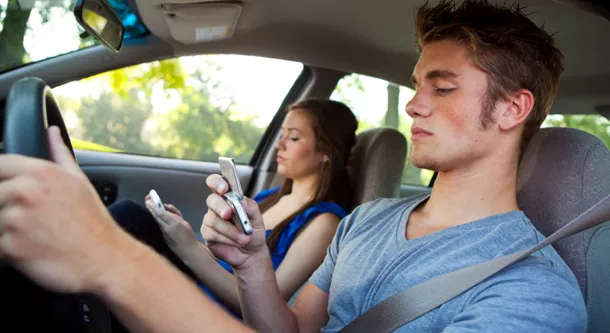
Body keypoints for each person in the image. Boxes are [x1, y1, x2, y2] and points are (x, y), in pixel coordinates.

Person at [0, 1, 588, 333]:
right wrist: (254, 264)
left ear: (514, 108)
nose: (413, 104)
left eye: (443, 87)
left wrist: (110, 258)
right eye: (416, 86)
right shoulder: (370, 220)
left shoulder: (533, 294)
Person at [108, 98, 357, 317]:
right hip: (199, 288)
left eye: (293, 137)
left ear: (326, 151)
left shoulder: (324, 222)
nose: (279, 145)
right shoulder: (268, 198)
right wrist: (183, 234)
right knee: (132, 218)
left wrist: (188, 249)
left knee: (127, 219)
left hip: (217, 315)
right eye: (281, 135)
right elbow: (223, 261)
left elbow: (268, 305)